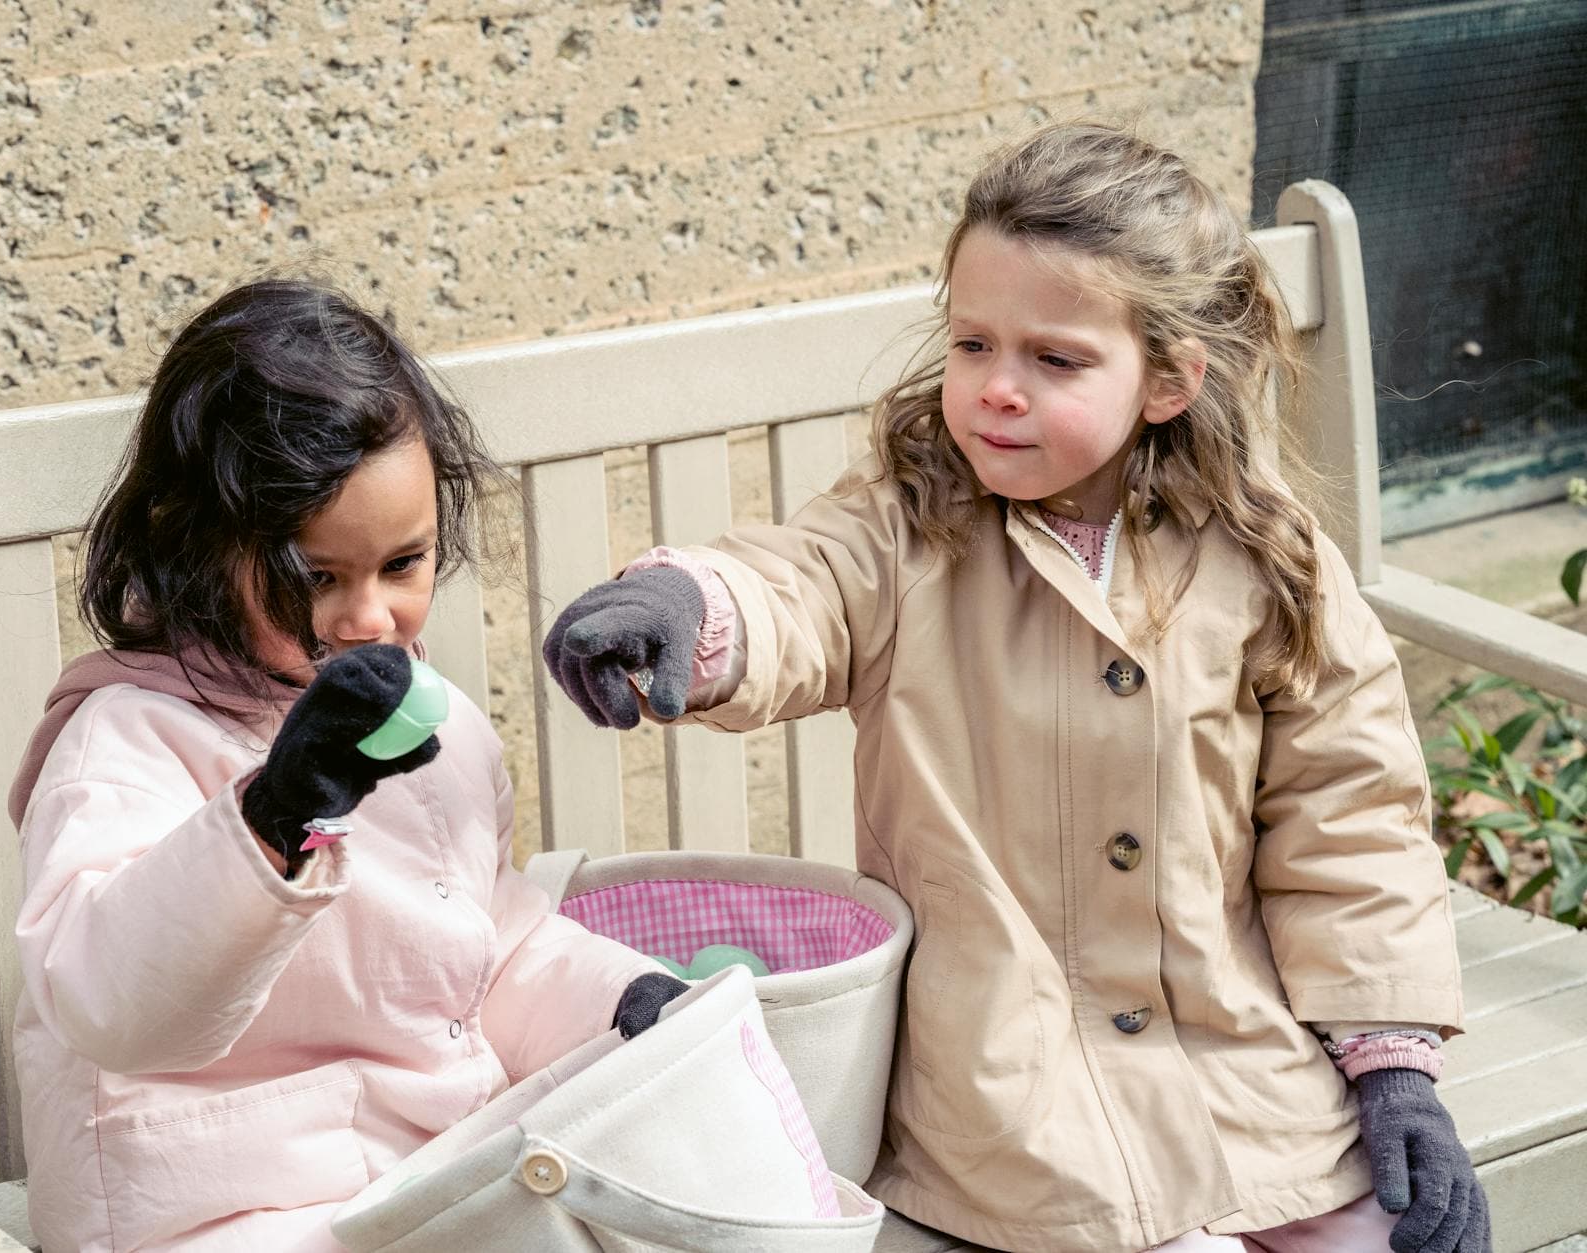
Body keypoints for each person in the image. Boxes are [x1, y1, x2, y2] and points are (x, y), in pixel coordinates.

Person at [542, 122, 1486, 1253]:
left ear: (1170, 377)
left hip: (1246, 1078)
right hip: (1008, 1103)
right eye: (972, 343)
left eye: (1053, 359)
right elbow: (798, 586)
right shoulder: (904, 529)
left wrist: (1391, 1070)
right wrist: (692, 611)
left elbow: (1351, 819)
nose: (995, 388)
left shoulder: (1264, 561)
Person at [6, 278, 686, 1252]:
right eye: (315, 575)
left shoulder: (431, 720)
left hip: (422, 1186)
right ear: (194, 545)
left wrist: (616, 1001)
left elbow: (485, 951)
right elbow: (109, 998)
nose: (369, 617)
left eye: (401, 565)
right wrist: (271, 814)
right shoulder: (126, 740)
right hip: (209, 1210)